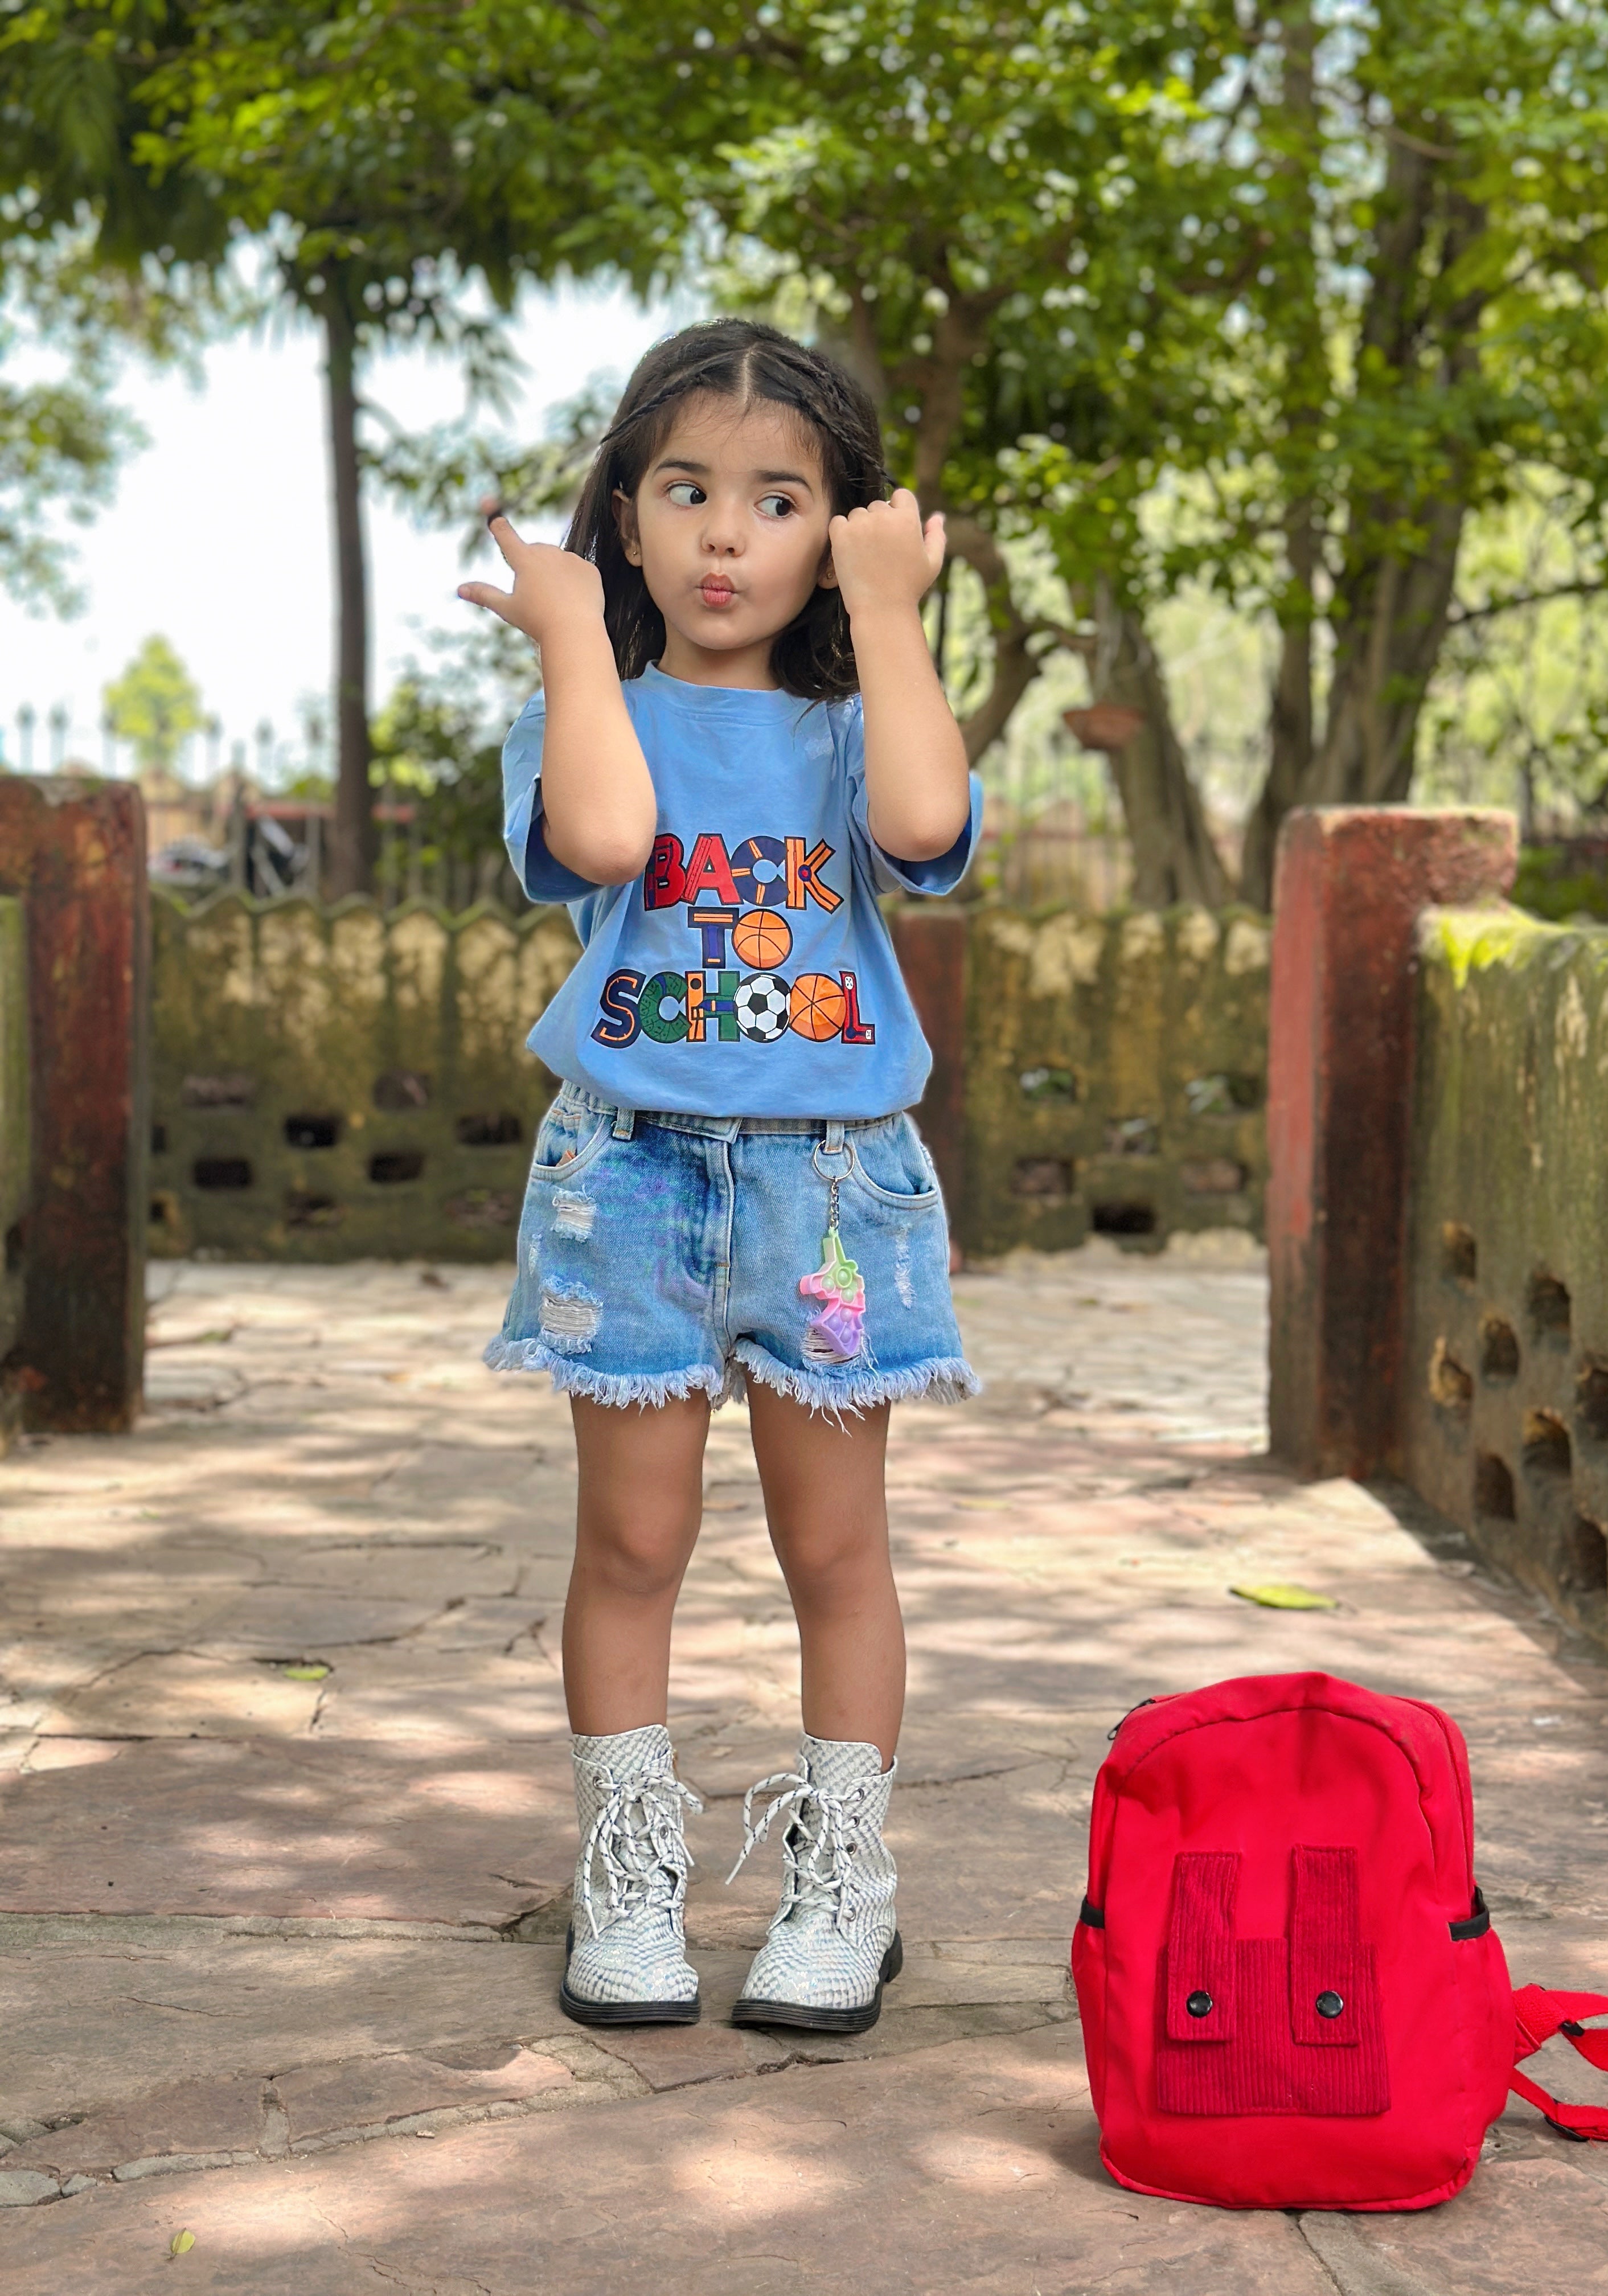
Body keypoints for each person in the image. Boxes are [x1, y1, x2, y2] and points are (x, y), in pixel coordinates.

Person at [459, 318, 980, 2035]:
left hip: (832, 1186)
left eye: (778, 498)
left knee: (837, 1551)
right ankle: (630, 1872)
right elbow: (609, 841)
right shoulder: (576, 714)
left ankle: (846, 1880)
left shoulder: (850, 719)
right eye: (685, 491)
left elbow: (920, 830)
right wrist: (569, 645)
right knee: (635, 1536)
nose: (726, 535)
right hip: (634, 1175)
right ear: (626, 514)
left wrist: (894, 617)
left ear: (836, 530)